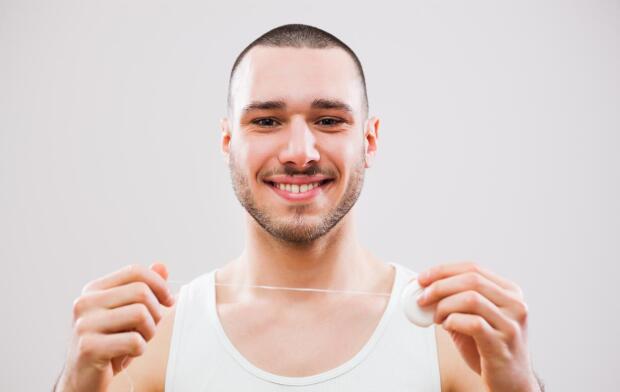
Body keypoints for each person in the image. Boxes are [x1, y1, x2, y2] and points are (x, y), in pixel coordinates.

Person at [54, 24, 543, 391]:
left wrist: (520, 383)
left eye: (329, 119)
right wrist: (74, 382)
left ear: (369, 141)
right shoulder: (148, 345)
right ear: (228, 141)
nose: (299, 152)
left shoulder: (453, 343)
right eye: (266, 121)